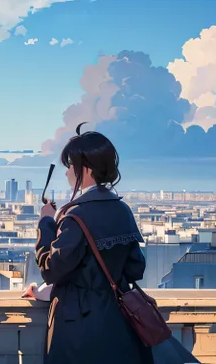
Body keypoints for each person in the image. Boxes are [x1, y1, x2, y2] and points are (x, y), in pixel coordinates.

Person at [35, 128, 153, 364]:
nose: (68, 172)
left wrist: (46, 223)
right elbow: (135, 269)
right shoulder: (122, 210)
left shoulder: (75, 216)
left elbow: (51, 269)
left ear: (85, 169)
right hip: (121, 326)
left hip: (77, 328)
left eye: (70, 165)